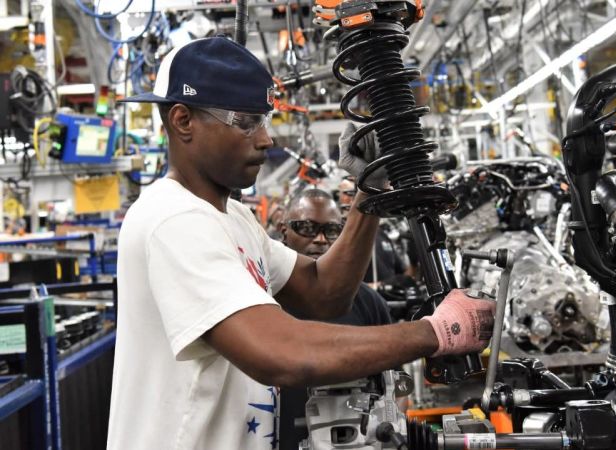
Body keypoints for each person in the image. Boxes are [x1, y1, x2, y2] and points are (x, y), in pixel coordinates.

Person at [107, 36, 494, 450]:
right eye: (245, 122)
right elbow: (280, 352)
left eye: (264, 120)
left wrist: (369, 186)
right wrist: (435, 332)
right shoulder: (173, 220)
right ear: (183, 121)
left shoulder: (234, 218)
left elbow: (325, 292)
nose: (266, 139)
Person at [277, 188, 393, 449]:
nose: (320, 240)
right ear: (284, 231)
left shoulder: (368, 302)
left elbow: (391, 385)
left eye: (331, 230)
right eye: (307, 228)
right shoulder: (261, 297)